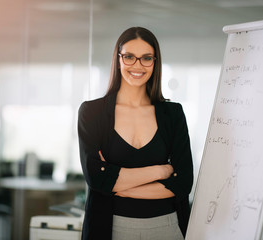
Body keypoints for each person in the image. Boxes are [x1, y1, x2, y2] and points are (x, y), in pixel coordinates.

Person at [78, 27, 193, 240]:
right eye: (129, 57)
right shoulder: (92, 113)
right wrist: (161, 171)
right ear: (118, 59)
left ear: (155, 61)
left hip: (167, 226)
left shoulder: (173, 114)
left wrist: (114, 184)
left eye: (146, 58)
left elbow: (183, 183)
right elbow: (95, 177)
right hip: (109, 228)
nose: (137, 66)